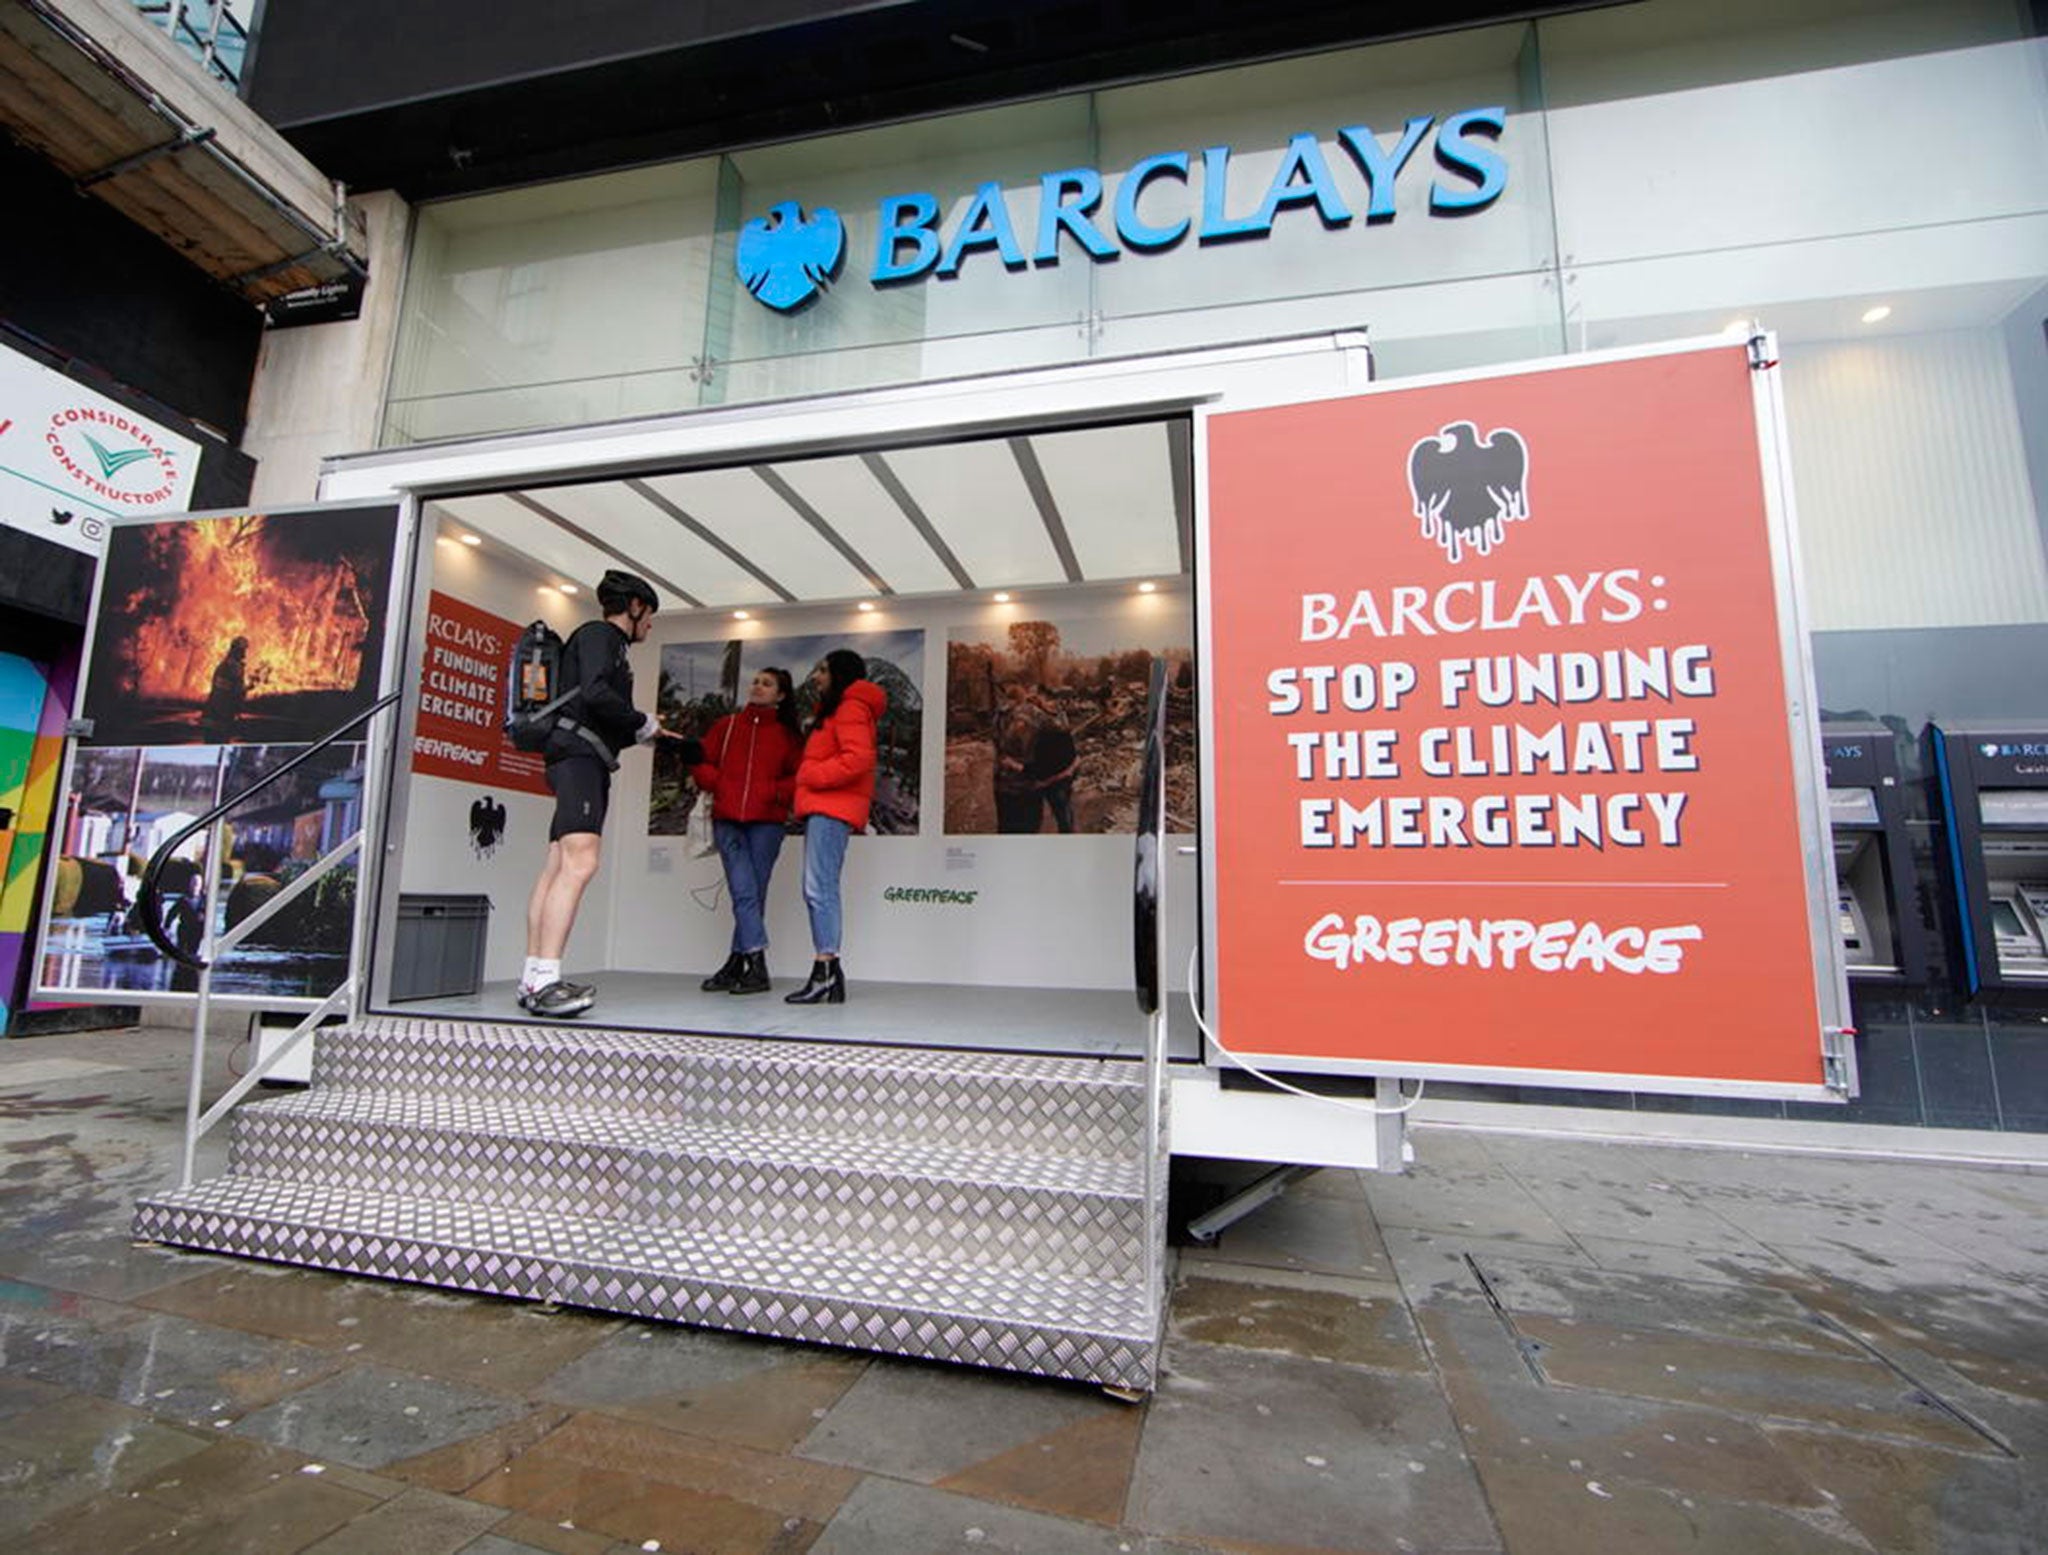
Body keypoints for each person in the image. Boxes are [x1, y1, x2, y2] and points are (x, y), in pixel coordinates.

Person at [520, 570, 697, 1017]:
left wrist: (648, 733)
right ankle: (545, 981)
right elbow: (598, 694)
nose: (650, 626)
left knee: (558, 864)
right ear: (635, 607)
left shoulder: (597, 641)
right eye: (650, 615)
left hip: (575, 755)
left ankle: (532, 976)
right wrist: (640, 720)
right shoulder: (603, 636)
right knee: (582, 862)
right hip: (580, 760)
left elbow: (595, 704)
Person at [692, 667, 802, 996]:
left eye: (766, 684)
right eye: (756, 681)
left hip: (767, 823)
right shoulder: (726, 727)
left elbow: (798, 777)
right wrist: (719, 784)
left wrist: (771, 791)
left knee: (753, 893)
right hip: (727, 819)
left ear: (781, 695)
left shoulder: (788, 736)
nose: (757, 686)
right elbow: (701, 761)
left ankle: (736, 963)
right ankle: (756, 963)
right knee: (744, 891)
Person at [785, 648, 885, 1005]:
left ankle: (825, 970)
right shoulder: (842, 709)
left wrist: (811, 774)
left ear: (840, 674)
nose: (816, 677)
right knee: (818, 888)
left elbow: (858, 759)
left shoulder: (850, 707)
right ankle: (829, 975)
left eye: (823, 671)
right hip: (826, 808)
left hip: (831, 808)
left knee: (819, 888)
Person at [992, 680, 1049, 834]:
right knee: (1029, 830)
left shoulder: (998, 715)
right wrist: (1043, 706)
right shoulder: (1032, 713)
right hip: (1026, 785)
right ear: (1023, 696)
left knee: (1006, 828)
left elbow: (997, 743)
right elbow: (1058, 731)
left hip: (1002, 784)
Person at [198, 637, 249, 742]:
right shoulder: (230, 667)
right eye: (242, 651)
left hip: (220, 715)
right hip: (218, 716)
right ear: (236, 651)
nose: (244, 654)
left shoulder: (230, 666)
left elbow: (232, 690)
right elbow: (224, 693)